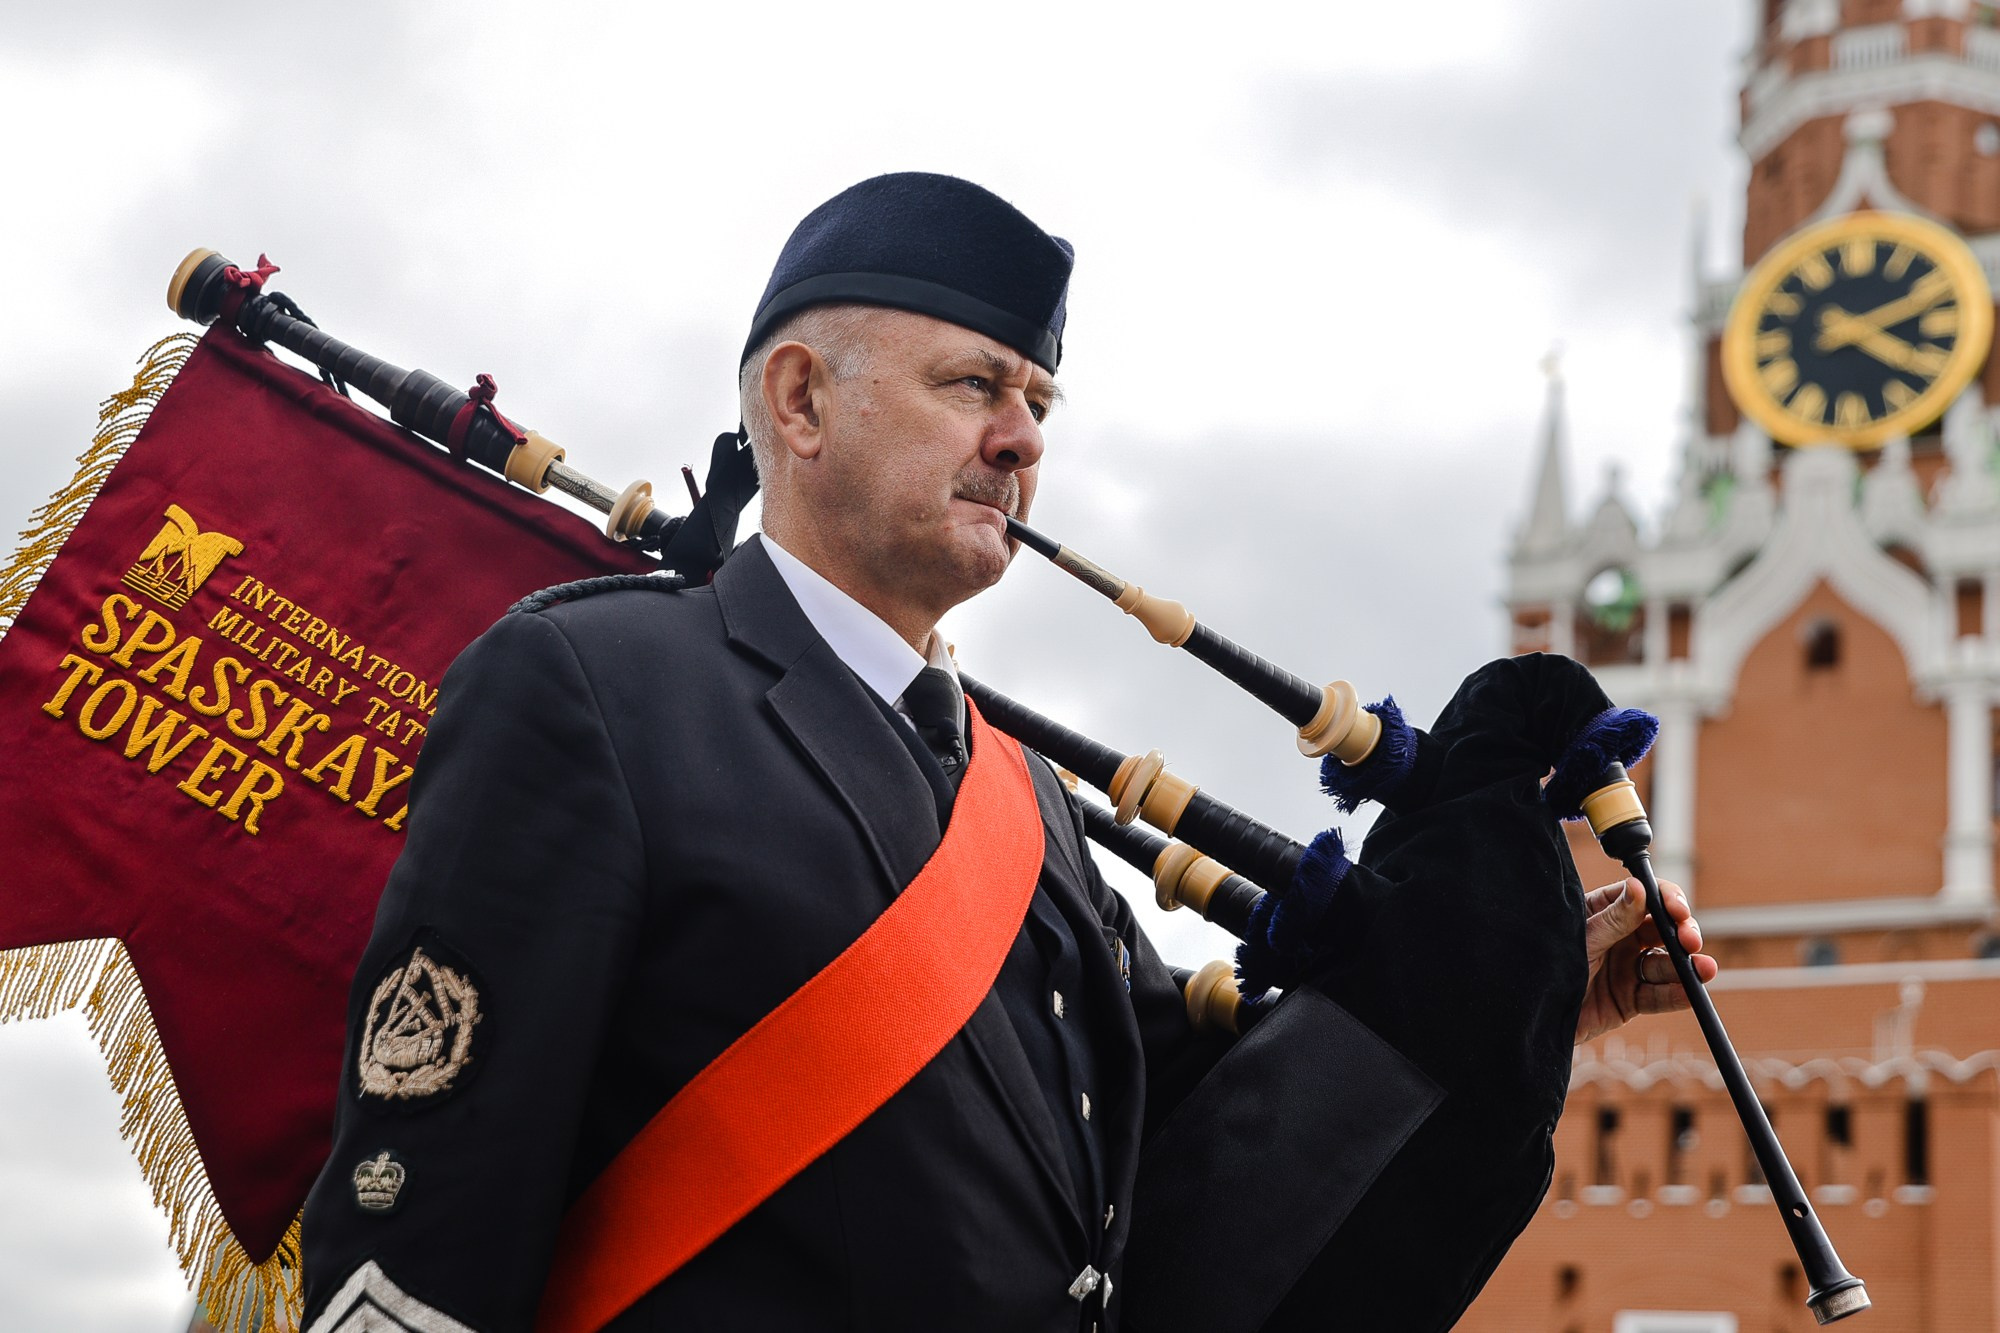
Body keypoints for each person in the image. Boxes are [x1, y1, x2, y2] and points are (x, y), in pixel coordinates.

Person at [298, 173, 1713, 1333]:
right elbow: (429, 1225)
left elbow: (1190, 1161)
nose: (1022, 438)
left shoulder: (1023, 804)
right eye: (976, 383)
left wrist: (1514, 980)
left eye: (1039, 401)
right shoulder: (595, 691)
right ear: (800, 403)